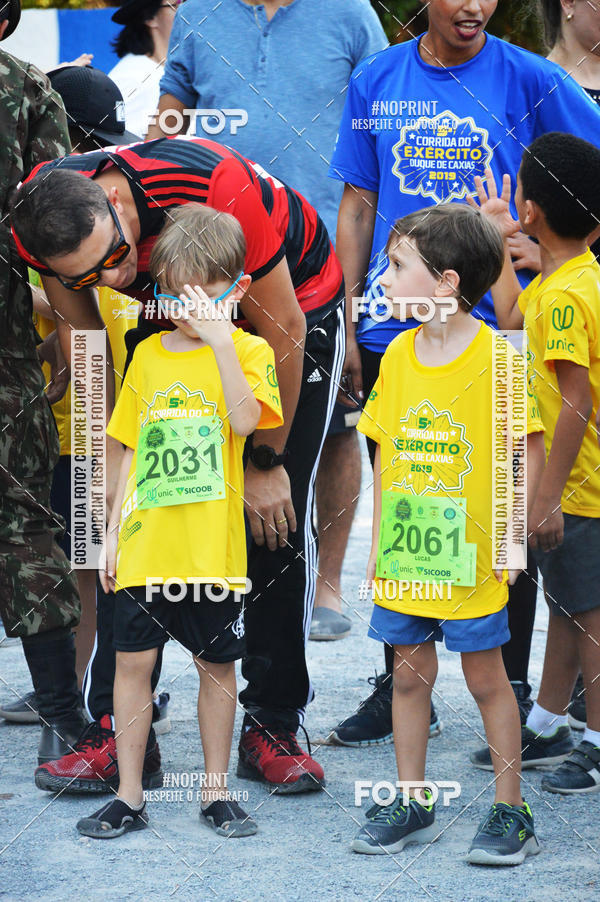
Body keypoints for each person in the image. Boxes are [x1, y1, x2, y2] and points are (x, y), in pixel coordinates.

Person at [11, 134, 344, 795]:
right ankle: (118, 730)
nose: (107, 279)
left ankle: (273, 720)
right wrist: (107, 463)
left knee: (270, 521)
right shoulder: (41, 219)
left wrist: (263, 458)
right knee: (130, 526)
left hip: (289, 307)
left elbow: (279, 326)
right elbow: (87, 336)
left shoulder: (216, 184)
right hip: (172, 317)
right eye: (81, 277)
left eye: (111, 258)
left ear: (114, 202)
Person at [326, 0, 600, 748]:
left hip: (497, 335)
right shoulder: (377, 77)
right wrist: (349, 313)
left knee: (497, 508)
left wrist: (554, 255)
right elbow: (357, 203)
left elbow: (589, 177)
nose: (476, 5)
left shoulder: (532, 77)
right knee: (412, 502)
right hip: (395, 335)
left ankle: (503, 684)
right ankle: (401, 680)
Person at [146, 0, 388, 641]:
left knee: (335, 423)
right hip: (216, 260)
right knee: (223, 410)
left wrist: (365, 260)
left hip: (320, 257)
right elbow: (173, 110)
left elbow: (374, 130)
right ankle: (221, 575)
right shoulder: (199, 10)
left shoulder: (352, 13)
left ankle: (326, 585)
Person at [76, 204, 282, 839]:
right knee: (132, 666)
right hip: (146, 546)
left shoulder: (248, 351)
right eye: (173, 293)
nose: (188, 309)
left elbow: (247, 423)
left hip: (211, 553)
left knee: (216, 669)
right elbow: (128, 449)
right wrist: (107, 531)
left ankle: (215, 791)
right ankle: (131, 794)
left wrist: (222, 340)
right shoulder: (147, 359)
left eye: (205, 295)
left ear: (237, 289)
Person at [350, 204, 546, 863]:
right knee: (408, 679)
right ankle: (412, 798)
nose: (383, 278)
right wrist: (378, 543)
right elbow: (384, 452)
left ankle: (510, 812)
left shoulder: (498, 359)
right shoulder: (400, 354)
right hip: (408, 554)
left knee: (488, 680)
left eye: (397, 265)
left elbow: (525, 449)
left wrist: (512, 540)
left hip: (474, 560)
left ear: (444, 283)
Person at [470, 134, 600, 795]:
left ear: (532, 208)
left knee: (590, 615)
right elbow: (511, 312)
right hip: (569, 483)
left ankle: (595, 741)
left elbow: (575, 398)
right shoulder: (561, 280)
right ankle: (549, 719)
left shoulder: (569, 295)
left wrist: (546, 497)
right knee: (570, 604)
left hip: (581, 487)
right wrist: (498, 241)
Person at [0, 0, 86, 768]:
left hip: (7, 345)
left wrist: (60, 332)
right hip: (9, 346)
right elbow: (52, 226)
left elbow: (50, 221)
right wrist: (62, 329)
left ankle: (62, 713)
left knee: (25, 520)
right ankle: (62, 718)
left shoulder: (29, 92)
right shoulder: (30, 90)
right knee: (24, 521)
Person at [109, 0, 180, 138]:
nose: (186, 12)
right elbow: (124, 150)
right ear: (149, 17)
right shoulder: (134, 76)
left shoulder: (165, 70)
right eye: (176, 4)